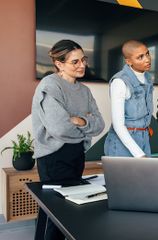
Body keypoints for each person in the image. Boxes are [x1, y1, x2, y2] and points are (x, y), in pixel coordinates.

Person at [31, 39, 105, 240]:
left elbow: (100, 125)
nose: (82, 65)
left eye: (83, 59)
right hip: (53, 157)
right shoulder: (50, 86)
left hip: (77, 154)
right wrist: (86, 124)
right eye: (75, 62)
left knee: (70, 212)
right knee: (54, 217)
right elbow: (60, 128)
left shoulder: (85, 91)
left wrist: (79, 121)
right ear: (59, 64)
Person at [104, 40, 154, 157]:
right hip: (122, 144)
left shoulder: (148, 77)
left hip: (144, 138)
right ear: (128, 61)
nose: (147, 59)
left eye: (147, 54)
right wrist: (140, 155)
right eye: (140, 57)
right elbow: (118, 126)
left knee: (146, 175)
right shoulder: (120, 81)